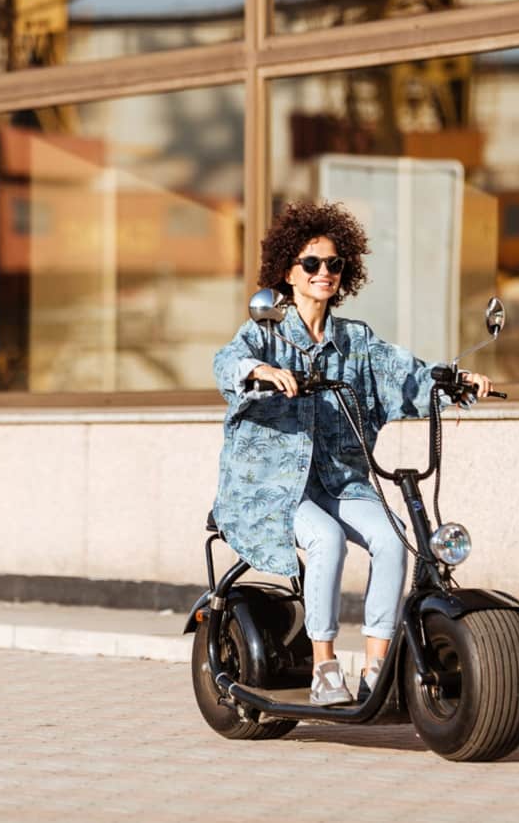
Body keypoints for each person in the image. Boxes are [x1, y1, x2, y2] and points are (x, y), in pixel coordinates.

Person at [212, 201, 491, 706]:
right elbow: (226, 362)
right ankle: (324, 669)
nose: (325, 273)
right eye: (312, 264)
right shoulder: (265, 335)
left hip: (340, 482)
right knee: (326, 540)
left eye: (334, 264)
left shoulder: (355, 341)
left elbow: (407, 375)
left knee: (394, 538)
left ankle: (377, 666)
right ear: (288, 273)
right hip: (275, 489)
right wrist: (261, 372)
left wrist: (455, 381)